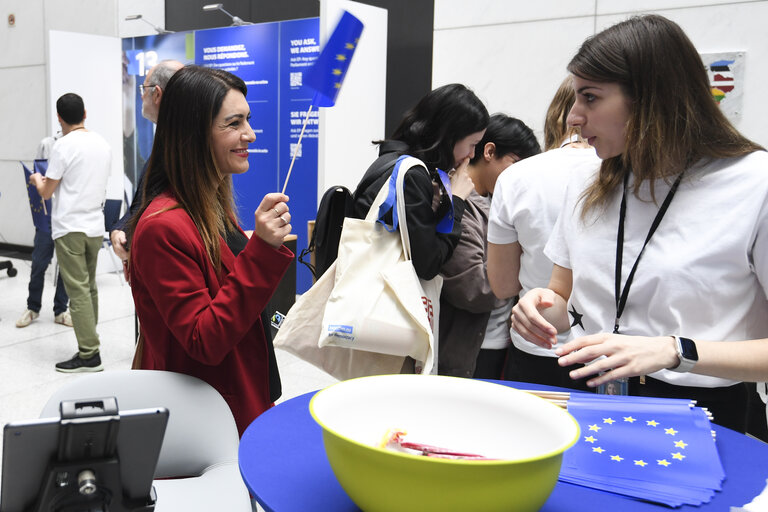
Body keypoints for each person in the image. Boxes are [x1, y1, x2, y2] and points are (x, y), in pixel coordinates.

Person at [510, 14, 768, 433]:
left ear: (652, 99)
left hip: (702, 414)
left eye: (590, 98)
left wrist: (675, 350)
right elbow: (561, 295)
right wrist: (540, 307)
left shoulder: (753, 183)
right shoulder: (587, 179)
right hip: (590, 395)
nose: (573, 118)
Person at [127, 66, 294, 436]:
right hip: (207, 419)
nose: (249, 134)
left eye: (247, 120)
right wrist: (262, 251)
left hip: (237, 396)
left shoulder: (210, 206)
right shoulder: (162, 228)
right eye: (233, 123)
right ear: (194, 133)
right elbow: (204, 338)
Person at [486, 78, 601, 390]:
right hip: (613, 354)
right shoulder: (630, 176)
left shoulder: (516, 177)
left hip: (538, 345)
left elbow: (504, 285)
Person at [352, 83, 489, 281]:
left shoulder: (395, 159)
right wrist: (456, 200)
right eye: (472, 144)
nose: (472, 154)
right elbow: (429, 264)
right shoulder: (412, 175)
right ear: (449, 135)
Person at [438, 114, 540, 378]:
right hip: (469, 350)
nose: (520, 179)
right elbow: (473, 286)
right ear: (489, 151)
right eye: (515, 165)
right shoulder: (456, 200)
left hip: (504, 343)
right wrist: (526, 265)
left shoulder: (498, 201)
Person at [29, 93, 112, 372]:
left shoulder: (62, 147)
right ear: (85, 113)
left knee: (77, 290)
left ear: (59, 118)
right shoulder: (102, 143)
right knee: (89, 287)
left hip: (69, 228)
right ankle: (91, 340)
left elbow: (47, 192)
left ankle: (89, 354)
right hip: (94, 226)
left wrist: (36, 180)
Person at [110, 59, 184, 264]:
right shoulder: (165, 143)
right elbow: (144, 200)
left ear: (157, 94)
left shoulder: (183, 149)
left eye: (144, 88)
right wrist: (120, 229)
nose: (141, 95)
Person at [16, 132, 73, 329]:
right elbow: (38, 175)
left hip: (68, 217)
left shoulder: (80, 146)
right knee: (39, 263)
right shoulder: (48, 144)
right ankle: (33, 307)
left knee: (66, 267)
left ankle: (60, 310)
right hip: (47, 215)